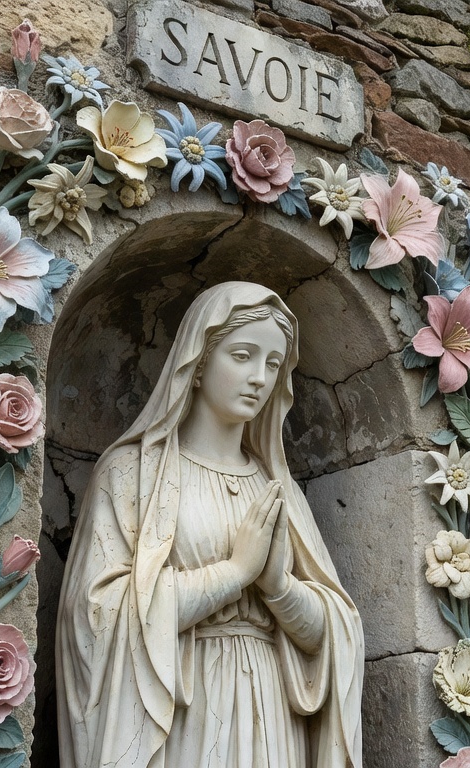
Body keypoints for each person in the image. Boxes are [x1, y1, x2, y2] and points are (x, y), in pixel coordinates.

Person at [56, 281, 364, 768]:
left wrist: (280, 587)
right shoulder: (133, 474)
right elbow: (96, 613)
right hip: (181, 711)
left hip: (273, 714)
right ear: (198, 363)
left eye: (272, 364)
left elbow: (333, 632)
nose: (258, 378)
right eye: (242, 355)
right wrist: (234, 574)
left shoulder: (276, 487)